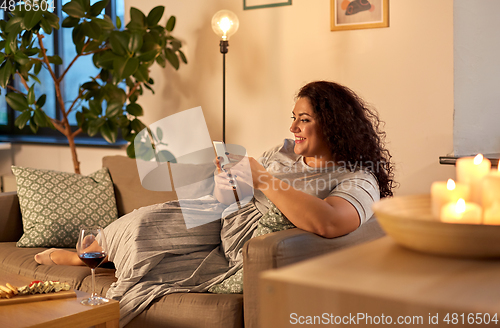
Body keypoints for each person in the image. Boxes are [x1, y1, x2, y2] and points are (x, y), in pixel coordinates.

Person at [34, 80, 395, 325]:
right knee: (146, 219)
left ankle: (97, 258)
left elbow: (331, 222)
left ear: (334, 126)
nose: (293, 128)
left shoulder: (357, 179)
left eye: (304, 120)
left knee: (152, 245)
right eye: (293, 118)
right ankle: (93, 253)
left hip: (245, 244)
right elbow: (231, 194)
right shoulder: (281, 154)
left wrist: (262, 178)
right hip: (221, 215)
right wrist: (227, 180)